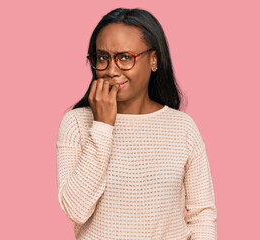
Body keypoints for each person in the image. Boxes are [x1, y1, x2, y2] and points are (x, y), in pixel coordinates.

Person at [56, 8, 217, 240]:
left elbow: (202, 215)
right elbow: (76, 210)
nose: (111, 70)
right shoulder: (76, 123)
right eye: (102, 58)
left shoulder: (183, 128)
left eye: (125, 58)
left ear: (153, 60)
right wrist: (102, 126)